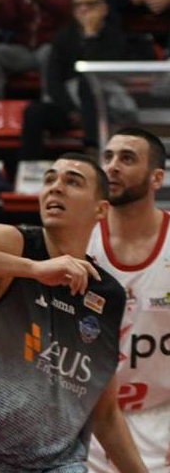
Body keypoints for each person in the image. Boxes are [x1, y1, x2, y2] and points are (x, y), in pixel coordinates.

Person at [0, 154, 144, 473]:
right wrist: (33, 269)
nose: (56, 187)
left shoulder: (107, 295)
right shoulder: (12, 243)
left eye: (72, 181)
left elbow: (105, 415)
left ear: (101, 209)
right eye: (49, 179)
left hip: (53, 466)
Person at [87, 128, 170, 473]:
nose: (112, 166)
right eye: (107, 157)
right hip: (87, 418)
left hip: (160, 418)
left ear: (156, 178)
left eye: (127, 158)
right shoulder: (78, 237)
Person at [20, 0, 150, 159]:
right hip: (72, 105)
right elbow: (53, 80)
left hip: (107, 104)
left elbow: (98, 73)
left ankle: (93, 150)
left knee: (88, 82)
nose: (83, 9)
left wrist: (90, 36)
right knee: (33, 111)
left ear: (104, 8)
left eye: (90, 4)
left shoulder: (117, 36)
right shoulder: (63, 37)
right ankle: (30, 166)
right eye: (78, 5)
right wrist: (71, 110)